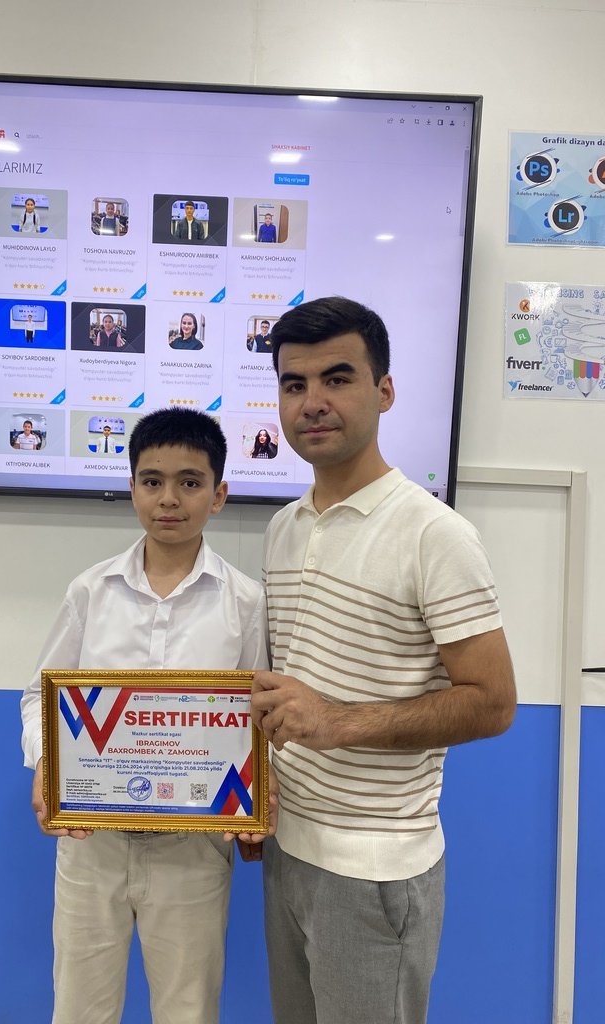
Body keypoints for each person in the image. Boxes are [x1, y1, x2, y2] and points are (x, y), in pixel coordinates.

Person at [249, 296, 516, 1024]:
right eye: (295, 384)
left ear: (385, 390)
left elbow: (493, 702)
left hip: (374, 870)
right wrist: (255, 794)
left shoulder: (435, 534)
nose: (313, 402)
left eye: (337, 378)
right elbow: (288, 692)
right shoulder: (283, 528)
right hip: (287, 848)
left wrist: (338, 722)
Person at [20, 407, 269, 1024]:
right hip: (92, 843)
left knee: (189, 1008)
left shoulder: (245, 602)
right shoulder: (91, 591)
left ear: (219, 495)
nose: (169, 499)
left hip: (194, 847)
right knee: (80, 1007)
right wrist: (47, 760)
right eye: (152, 481)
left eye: (190, 482)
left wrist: (261, 797)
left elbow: (261, 718)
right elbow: (40, 697)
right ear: (132, 487)